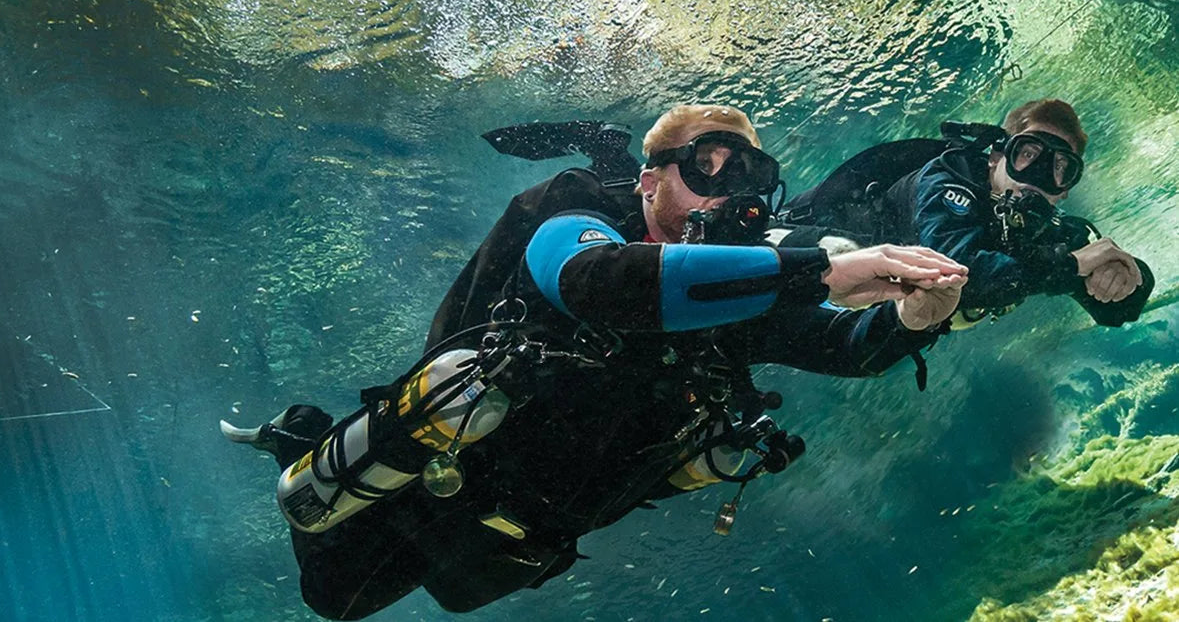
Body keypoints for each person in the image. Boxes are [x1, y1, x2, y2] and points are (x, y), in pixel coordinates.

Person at [224, 104, 968, 620]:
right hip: (444, 466)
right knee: (333, 599)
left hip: (538, 520)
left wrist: (914, 319)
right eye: (707, 166)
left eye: (748, 174)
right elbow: (592, 282)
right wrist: (822, 271)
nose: (729, 191)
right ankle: (305, 437)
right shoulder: (578, 209)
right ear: (648, 180)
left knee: (454, 597)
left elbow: (843, 345)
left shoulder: (747, 286)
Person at [780, 99, 1152, 329]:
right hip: (806, 251)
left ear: (1065, 189)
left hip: (868, 312)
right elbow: (959, 273)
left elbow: (1119, 311)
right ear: (996, 158)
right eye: (1028, 154)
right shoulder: (947, 180)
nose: (1039, 176)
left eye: (1059, 167)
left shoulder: (1045, 228)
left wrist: (1123, 274)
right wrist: (1072, 266)